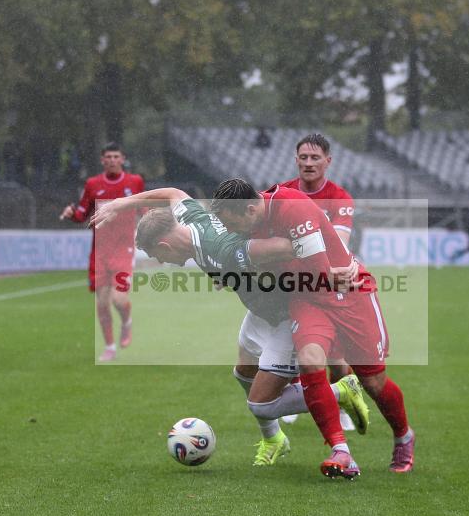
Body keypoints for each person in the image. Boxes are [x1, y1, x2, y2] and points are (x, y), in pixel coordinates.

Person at [90, 187, 370, 468]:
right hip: (259, 311)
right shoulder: (190, 217)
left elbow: (286, 245)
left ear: (164, 246)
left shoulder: (222, 250)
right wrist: (120, 204)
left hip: (284, 316)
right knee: (243, 373)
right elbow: (173, 193)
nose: (162, 262)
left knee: (262, 404)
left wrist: (327, 272)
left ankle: (342, 390)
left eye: (158, 257)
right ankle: (274, 440)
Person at [212, 179, 415, 478]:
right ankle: (341, 451)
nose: (233, 232)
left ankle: (403, 437)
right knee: (310, 360)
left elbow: (322, 275)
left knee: (373, 381)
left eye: (234, 224)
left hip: (348, 292)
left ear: (251, 208)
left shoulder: (291, 208)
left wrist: (251, 270)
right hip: (308, 299)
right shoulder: (251, 218)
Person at [270, 133, 356, 430]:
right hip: (291, 281)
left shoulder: (340, 198)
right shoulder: (281, 193)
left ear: (327, 161)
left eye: (315, 158)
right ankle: (292, 395)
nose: (308, 163)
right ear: (296, 160)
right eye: (303, 158)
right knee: (292, 343)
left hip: (328, 281)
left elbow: (339, 243)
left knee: (336, 355)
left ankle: (343, 405)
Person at [60, 142, 144, 361]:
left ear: (123, 159)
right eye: (109, 156)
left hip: (123, 249)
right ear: (102, 160)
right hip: (99, 252)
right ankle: (110, 347)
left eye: (116, 156)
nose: (113, 160)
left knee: (118, 299)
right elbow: (81, 214)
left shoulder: (134, 182)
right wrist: (71, 214)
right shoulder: (93, 184)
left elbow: (144, 208)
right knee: (102, 303)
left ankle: (126, 322)